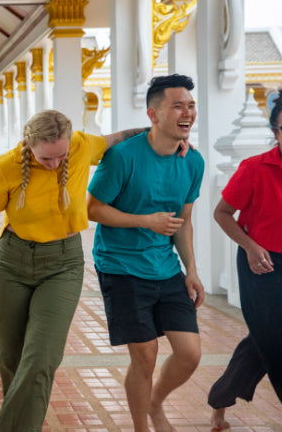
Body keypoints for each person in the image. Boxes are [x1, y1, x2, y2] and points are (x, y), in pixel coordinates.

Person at [0, 110, 155, 432]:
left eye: (62, 156)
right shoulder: (5, 168)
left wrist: (167, 134)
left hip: (63, 265)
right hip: (12, 263)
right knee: (11, 359)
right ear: (29, 145)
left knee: (40, 360)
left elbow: (120, 137)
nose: (56, 163)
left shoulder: (79, 145)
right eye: (47, 158)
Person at [86, 74, 205, 432]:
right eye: (177, 105)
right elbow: (93, 209)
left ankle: (154, 403)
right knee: (145, 356)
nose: (187, 112)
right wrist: (145, 221)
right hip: (120, 265)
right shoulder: (122, 157)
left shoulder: (192, 161)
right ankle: (141, 427)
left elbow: (184, 221)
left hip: (166, 267)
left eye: (191, 105)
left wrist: (192, 271)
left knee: (190, 353)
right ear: (154, 114)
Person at [207, 88, 282, 431]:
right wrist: (250, 246)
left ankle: (220, 398)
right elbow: (222, 213)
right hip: (263, 266)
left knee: (262, 340)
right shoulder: (255, 168)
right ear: (275, 132)